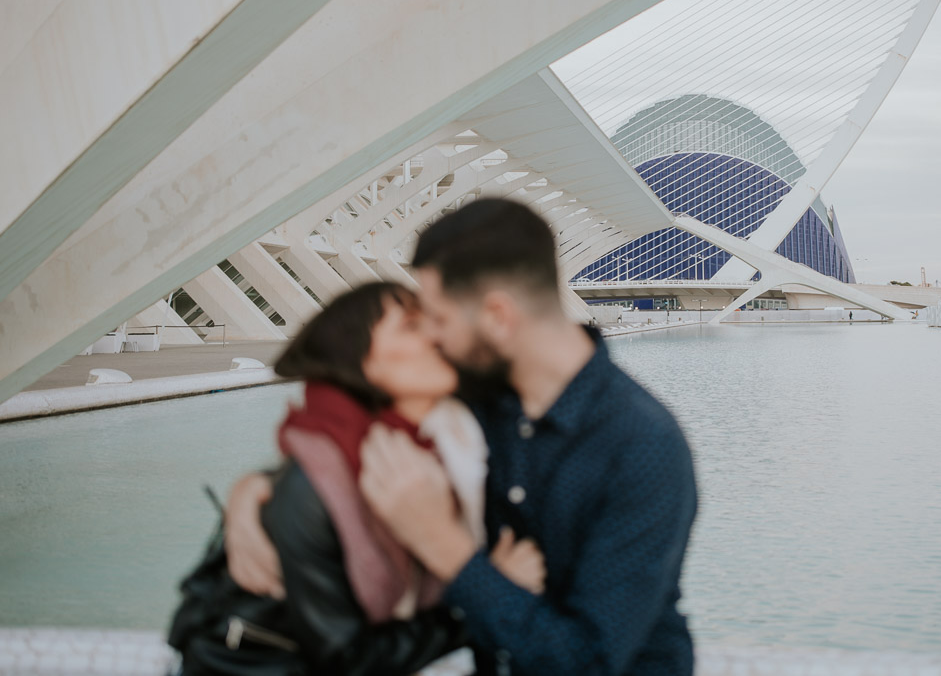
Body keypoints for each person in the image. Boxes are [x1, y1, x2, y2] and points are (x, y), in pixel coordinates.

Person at [226, 198, 699, 675]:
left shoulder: (642, 447)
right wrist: (255, 494)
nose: (432, 337)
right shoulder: (470, 396)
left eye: (439, 318)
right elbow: (337, 433)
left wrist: (440, 541)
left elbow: (584, 661)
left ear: (497, 317)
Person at [170, 282, 544, 675]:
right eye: (411, 327)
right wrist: (486, 595)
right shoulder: (313, 487)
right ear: (363, 362)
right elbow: (348, 658)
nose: (436, 335)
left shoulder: (447, 441)